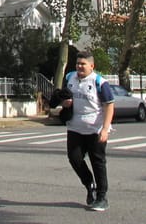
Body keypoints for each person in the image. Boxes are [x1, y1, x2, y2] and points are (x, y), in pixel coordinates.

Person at [60, 52, 115, 212]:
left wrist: (105, 129)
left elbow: (109, 105)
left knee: (98, 162)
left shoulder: (100, 82)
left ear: (92, 66)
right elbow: (64, 97)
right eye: (77, 63)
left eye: (83, 64)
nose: (79, 66)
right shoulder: (70, 77)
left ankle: (101, 197)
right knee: (74, 158)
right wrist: (65, 103)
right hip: (75, 127)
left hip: (95, 128)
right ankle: (89, 183)